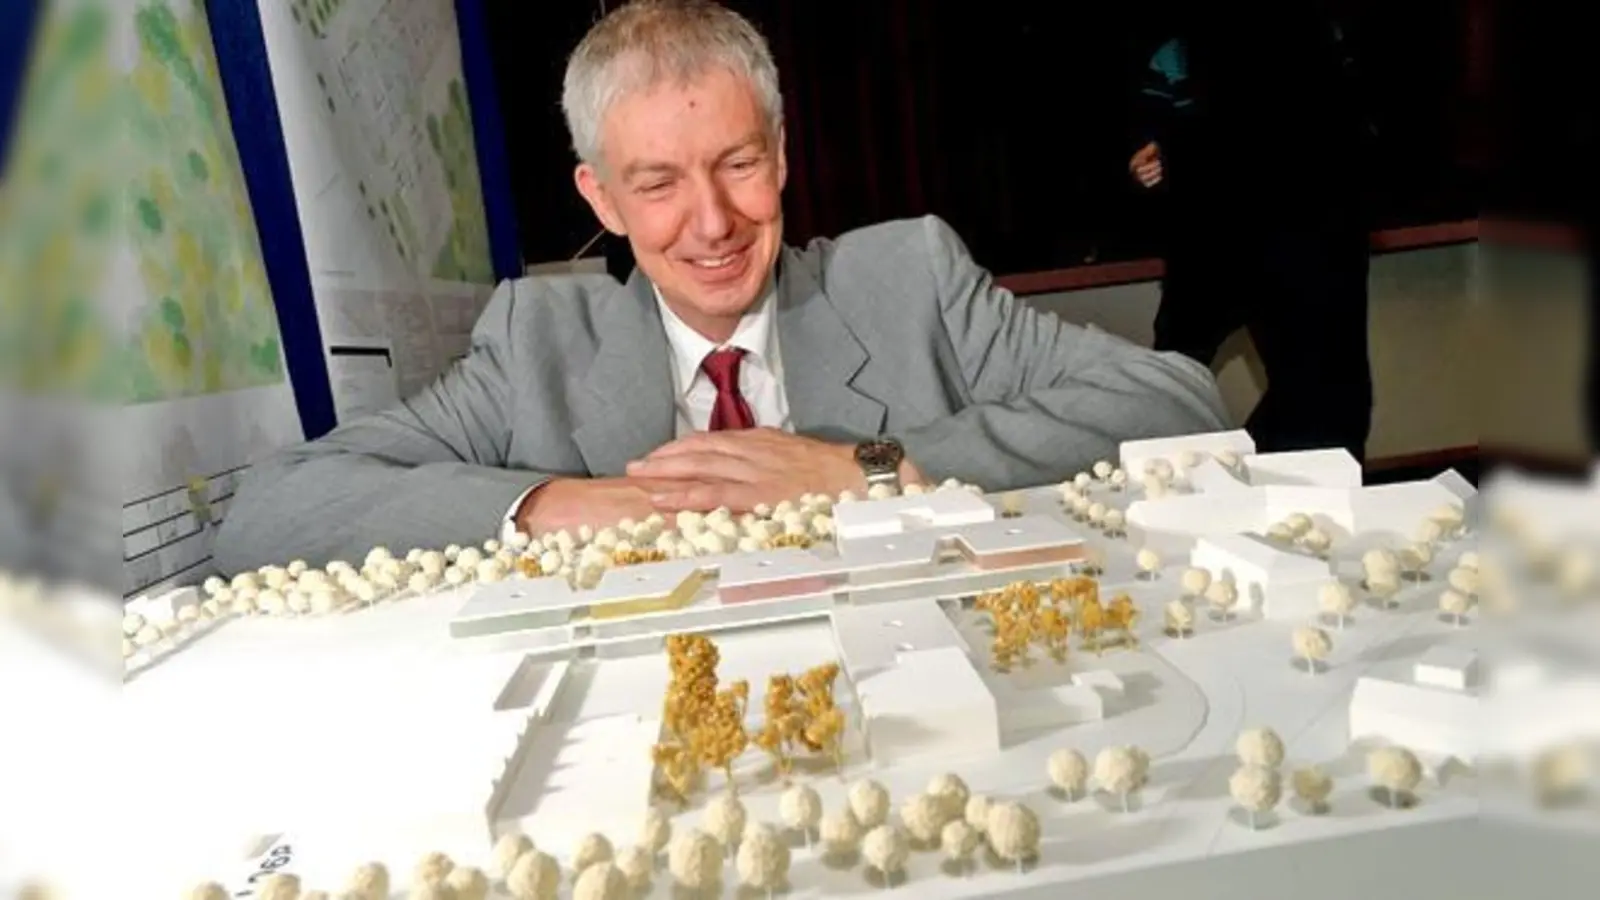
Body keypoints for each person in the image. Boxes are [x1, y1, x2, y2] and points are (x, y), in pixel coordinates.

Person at [214, 0, 1228, 573]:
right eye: (658, 184)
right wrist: (555, 506)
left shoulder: (908, 276)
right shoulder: (537, 339)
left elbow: (1181, 401)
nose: (711, 223)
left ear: (780, 156)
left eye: (738, 165)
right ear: (602, 198)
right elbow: (271, 510)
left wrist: (865, 471)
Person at [1128, 6, 1374, 463]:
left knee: (1328, 405)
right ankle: (1206, 479)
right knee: (1167, 390)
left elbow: (1353, 130)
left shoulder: (1323, 35)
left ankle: (1253, 477)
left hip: (1310, 240)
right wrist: (1149, 158)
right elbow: (1149, 134)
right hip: (1213, 244)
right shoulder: (1177, 54)